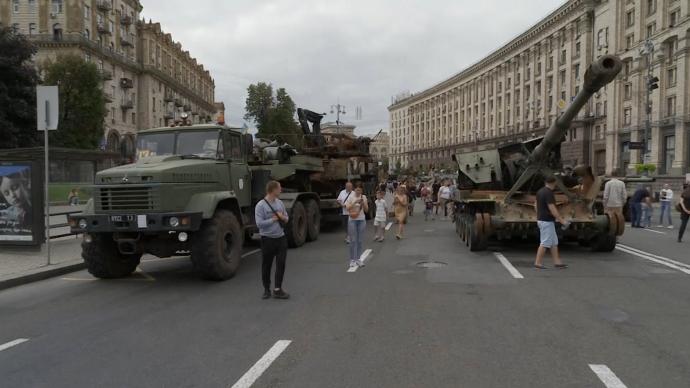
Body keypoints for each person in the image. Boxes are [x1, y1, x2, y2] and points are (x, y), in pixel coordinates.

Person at [254, 180, 290, 300]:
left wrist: (283, 217)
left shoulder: (279, 203)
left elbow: (286, 218)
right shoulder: (261, 205)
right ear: (273, 190)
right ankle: (266, 289)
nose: (281, 190)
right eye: (279, 188)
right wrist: (273, 219)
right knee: (267, 265)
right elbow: (259, 224)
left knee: (281, 264)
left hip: (281, 238)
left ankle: (278, 289)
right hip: (267, 239)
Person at [534, 175, 568, 270]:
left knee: (553, 242)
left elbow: (535, 205)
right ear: (554, 183)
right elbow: (552, 208)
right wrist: (562, 221)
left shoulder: (540, 191)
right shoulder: (549, 193)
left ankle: (557, 262)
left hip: (542, 219)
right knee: (545, 243)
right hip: (547, 221)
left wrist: (539, 215)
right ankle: (538, 262)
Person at [345, 185, 369, 267]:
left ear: (362, 191)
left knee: (360, 240)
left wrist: (363, 203)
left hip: (361, 220)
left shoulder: (364, 197)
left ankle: (358, 259)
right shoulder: (350, 197)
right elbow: (347, 208)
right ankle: (352, 260)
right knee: (353, 240)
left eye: (360, 190)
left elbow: (366, 210)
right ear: (354, 190)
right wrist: (355, 202)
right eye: (357, 190)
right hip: (352, 220)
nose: (358, 191)